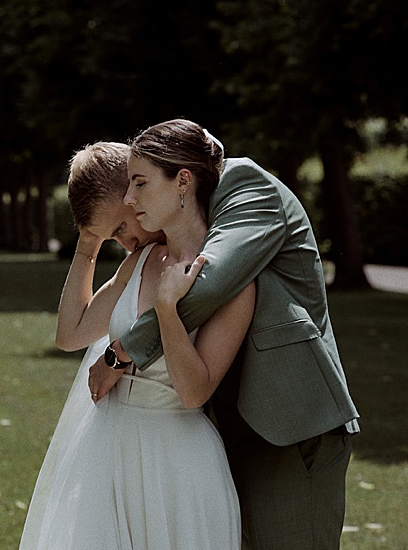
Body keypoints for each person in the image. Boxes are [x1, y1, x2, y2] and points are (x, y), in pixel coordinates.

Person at [87, 119, 360, 550]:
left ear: (182, 179)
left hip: (289, 423)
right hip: (225, 424)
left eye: (139, 183)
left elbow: (211, 281)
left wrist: (123, 352)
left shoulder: (248, 187)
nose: (129, 198)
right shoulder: (185, 218)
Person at [19, 133, 254, 549]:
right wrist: (90, 239)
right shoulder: (139, 261)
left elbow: (193, 393)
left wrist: (165, 311)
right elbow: (70, 334)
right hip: (110, 450)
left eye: (123, 226)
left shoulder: (227, 272)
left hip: (178, 460)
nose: (126, 239)